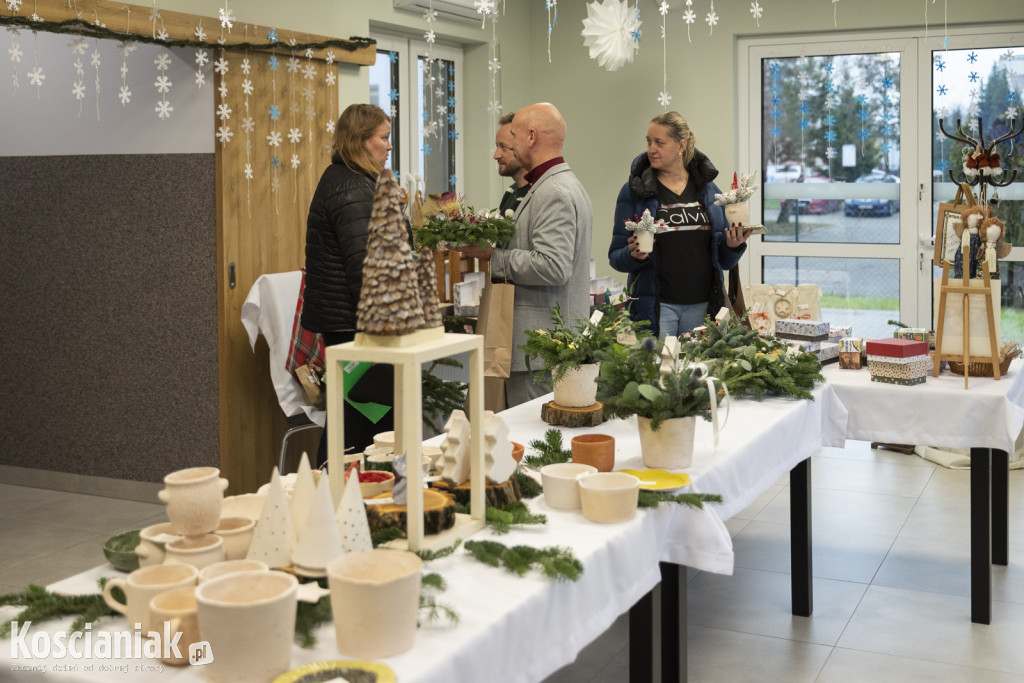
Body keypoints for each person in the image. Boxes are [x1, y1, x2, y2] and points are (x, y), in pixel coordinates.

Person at [458, 103, 593, 407]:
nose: (510, 146)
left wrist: (492, 256)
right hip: (545, 343)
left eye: (515, 136)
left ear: (531, 137)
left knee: (535, 441)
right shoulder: (553, 185)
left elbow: (553, 267)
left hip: (541, 347)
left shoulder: (553, 191)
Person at [303, 103, 395, 465]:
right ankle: (337, 500)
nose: (389, 146)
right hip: (358, 328)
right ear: (360, 140)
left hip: (350, 322)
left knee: (354, 421)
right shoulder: (353, 187)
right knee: (364, 422)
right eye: (384, 138)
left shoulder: (349, 179)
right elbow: (366, 266)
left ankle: (338, 498)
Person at [608, 111, 751, 338]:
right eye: (648, 141)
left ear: (681, 145)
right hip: (656, 307)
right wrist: (633, 254)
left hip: (703, 306)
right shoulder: (634, 192)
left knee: (696, 371)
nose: (651, 148)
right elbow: (616, 257)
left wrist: (733, 246)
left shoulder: (708, 190)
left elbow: (722, 260)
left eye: (659, 142)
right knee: (660, 371)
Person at [494, 112, 529, 215]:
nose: (496, 155)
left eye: (503, 147)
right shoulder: (511, 192)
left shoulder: (537, 193)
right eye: (497, 147)